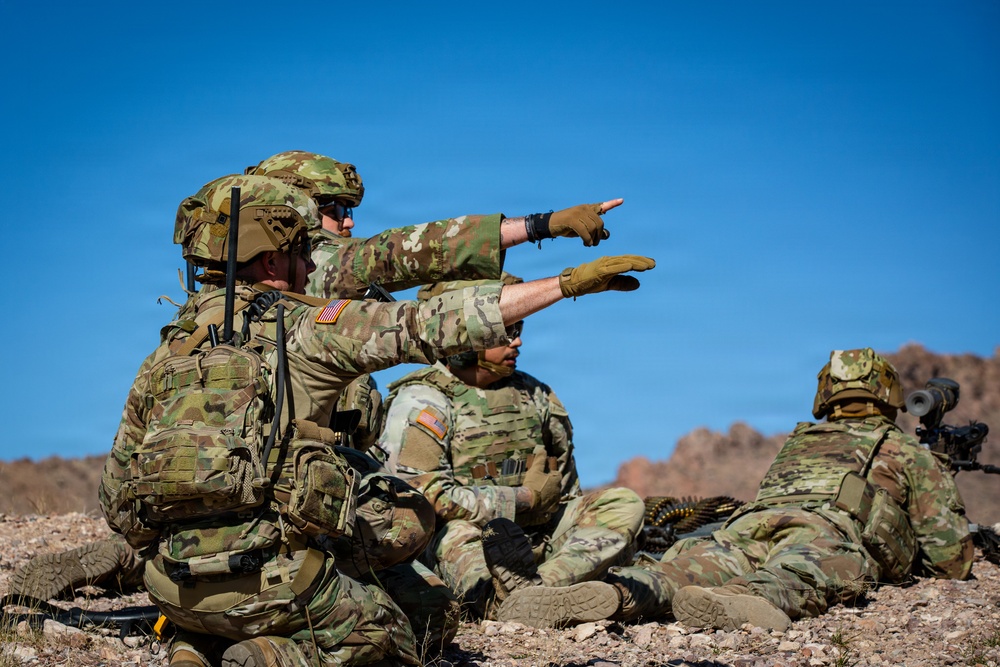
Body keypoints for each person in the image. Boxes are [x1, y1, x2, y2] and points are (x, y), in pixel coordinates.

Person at [11, 149, 623, 640]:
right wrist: (560, 280)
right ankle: (273, 653)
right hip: (281, 563)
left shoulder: (165, 356)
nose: (331, 241)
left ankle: (192, 639)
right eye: (321, 223)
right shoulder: (311, 319)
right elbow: (426, 310)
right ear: (279, 250)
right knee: (406, 629)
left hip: (173, 579)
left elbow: (118, 498)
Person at [500, 348, 975, 632]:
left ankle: (620, 593)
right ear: (889, 395)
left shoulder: (800, 440)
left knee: (682, 567)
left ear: (825, 396)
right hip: (826, 531)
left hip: (749, 524)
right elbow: (949, 558)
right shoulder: (903, 449)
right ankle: (747, 601)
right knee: (798, 572)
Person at [375, 277, 646, 627]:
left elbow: (566, 482)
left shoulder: (535, 395)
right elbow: (424, 497)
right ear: (464, 340)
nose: (517, 340)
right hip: (465, 538)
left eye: (519, 328)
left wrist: (552, 508)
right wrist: (521, 499)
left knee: (622, 502)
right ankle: (497, 601)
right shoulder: (424, 401)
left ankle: (541, 589)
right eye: (505, 331)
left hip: (540, 536)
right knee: (456, 534)